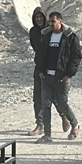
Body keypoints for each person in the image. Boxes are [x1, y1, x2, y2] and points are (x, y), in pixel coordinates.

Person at [34, 11, 82, 143]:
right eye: (49, 21)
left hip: (62, 77)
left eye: (53, 21)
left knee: (63, 103)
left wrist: (69, 74)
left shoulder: (70, 37)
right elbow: (39, 54)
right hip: (46, 76)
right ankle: (47, 134)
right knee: (45, 104)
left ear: (60, 21)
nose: (50, 24)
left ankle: (75, 124)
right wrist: (40, 70)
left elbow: (76, 57)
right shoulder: (45, 36)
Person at [27, 7, 48, 136]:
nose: (39, 19)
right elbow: (36, 49)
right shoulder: (33, 31)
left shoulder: (50, 31)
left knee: (56, 98)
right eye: (37, 17)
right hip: (39, 66)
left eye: (41, 17)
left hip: (51, 68)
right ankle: (40, 124)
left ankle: (66, 117)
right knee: (37, 97)